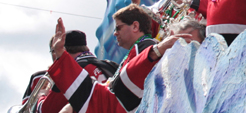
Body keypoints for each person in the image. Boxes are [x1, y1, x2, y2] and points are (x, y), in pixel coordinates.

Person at [46, 18, 189, 113]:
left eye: (119, 28)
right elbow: (102, 98)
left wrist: (156, 51)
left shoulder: (145, 46)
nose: (115, 33)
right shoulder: (111, 69)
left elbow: (47, 109)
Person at [21, 31, 117, 113]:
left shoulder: (69, 72)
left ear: (63, 51)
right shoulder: (110, 66)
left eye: (55, 51)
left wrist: (41, 96)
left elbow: (47, 110)